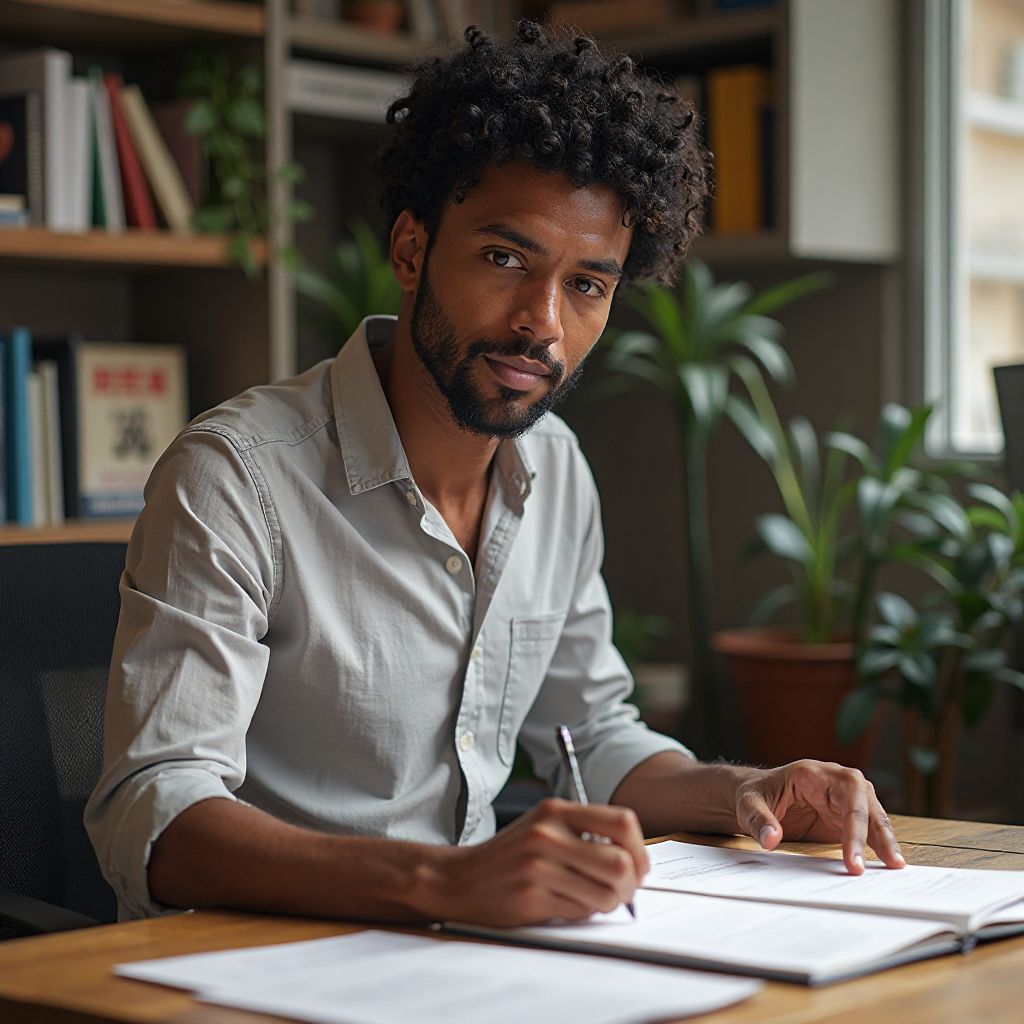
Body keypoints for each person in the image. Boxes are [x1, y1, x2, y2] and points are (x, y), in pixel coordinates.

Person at [85, 22, 905, 927]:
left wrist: (753, 791)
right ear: (410, 250)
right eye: (505, 258)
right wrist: (439, 883)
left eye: (587, 285)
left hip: (469, 959)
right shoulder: (237, 477)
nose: (542, 322)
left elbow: (594, 737)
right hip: (249, 970)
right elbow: (153, 811)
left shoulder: (555, 470)